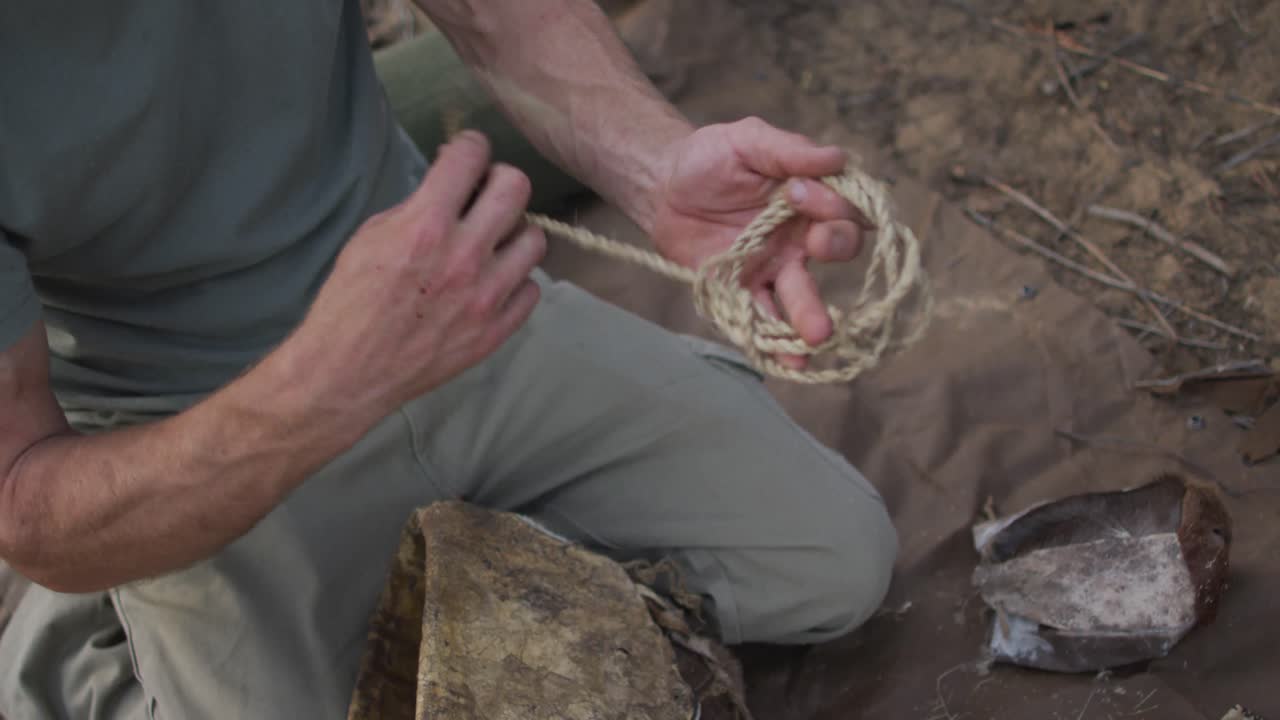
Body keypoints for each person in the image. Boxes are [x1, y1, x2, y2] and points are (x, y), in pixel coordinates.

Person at [0, 1, 897, 717]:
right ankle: (91, 642)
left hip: (446, 293)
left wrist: (654, 165)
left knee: (831, 562)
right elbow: (26, 505)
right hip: (203, 435)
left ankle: (440, 565)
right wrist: (332, 378)